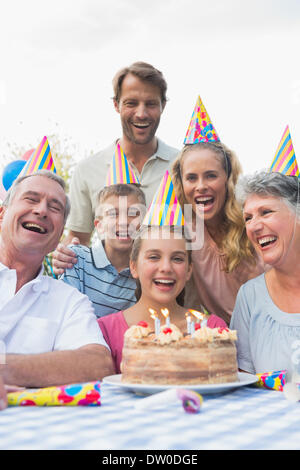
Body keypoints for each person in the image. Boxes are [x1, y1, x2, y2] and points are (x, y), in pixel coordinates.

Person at [52, 62, 179, 276]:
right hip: (108, 303)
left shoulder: (183, 166)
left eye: (151, 104)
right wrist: (62, 255)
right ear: (116, 105)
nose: (141, 113)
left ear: (163, 105)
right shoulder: (87, 170)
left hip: (174, 301)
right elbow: (77, 239)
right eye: (131, 103)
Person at [0, 170, 114, 388]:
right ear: (2, 214)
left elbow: (98, 364)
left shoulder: (69, 301)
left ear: (59, 235)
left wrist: (6, 370)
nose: (41, 210)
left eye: (54, 208)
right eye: (31, 199)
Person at [98, 225, 228, 374]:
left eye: (177, 259)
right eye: (154, 257)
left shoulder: (213, 328)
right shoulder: (105, 331)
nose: (166, 268)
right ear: (133, 267)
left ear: (189, 270)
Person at [172, 141, 264, 325]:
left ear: (228, 179)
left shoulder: (253, 222)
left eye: (211, 176)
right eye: (191, 178)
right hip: (228, 341)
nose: (201, 186)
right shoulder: (185, 235)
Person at [230, 171, 300, 379]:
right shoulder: (249, 296)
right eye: (248, 218)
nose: (254, 226)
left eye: (266, 212)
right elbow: (242, 384)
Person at [62, 183, 146, 317]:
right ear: (99, 226)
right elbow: (66, 314)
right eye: (113, 213)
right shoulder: (76, 259)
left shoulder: (145, 272)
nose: (124, 221)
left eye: (133, 213)